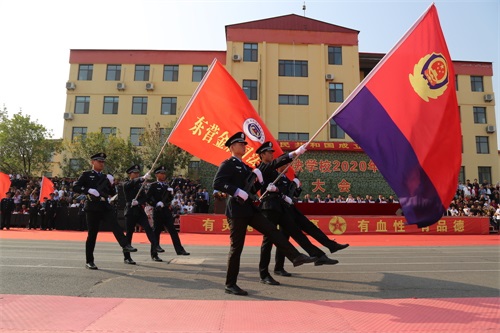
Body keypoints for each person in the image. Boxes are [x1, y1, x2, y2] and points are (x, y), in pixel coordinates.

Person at [213, 132, 317, 296]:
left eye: (244, 144)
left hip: (249, 208)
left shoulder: (246, 167)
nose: (243, 146)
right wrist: (237, 191)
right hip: (236, 210)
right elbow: (218, 183)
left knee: (272, 231)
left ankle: (296, 257)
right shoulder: (228, 164)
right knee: (236, 248)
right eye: (240, 144)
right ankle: (230, 284)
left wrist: (260, 183)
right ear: (232, 147)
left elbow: (252, 189)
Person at [256, 141, 346, 281]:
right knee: (268, 241)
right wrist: (294, 153)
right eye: (269, 152)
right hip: (269, 207)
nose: (272, 155)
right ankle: (264, 274)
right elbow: (272, 170)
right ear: (262, 155)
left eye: (273, 153)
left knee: (296, 232)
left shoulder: (274, 172)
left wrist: (290, 189)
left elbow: (281, 187)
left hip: (280, 207)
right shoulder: (262, 168)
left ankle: (318, 255)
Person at [73, 152, 137, 270]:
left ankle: (125, 245)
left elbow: (112, 193)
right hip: (92, 206)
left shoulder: (105, 177)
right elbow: (75, 187)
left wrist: (112, 184)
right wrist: (89, 190)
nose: (101, 163)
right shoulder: (86, 175)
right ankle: (89, 261)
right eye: (99, 161)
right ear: (93, 162)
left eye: (103, 162)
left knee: (115, 225)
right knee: (92, 234)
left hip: (104, 205)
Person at [146, 166, 190, 262]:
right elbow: (148, 198)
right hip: (157, 211)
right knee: (156, 232)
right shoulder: (153, 186)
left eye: (164, 173)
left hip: (166, 211)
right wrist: (156, 203)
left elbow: (169, 200)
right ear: (156, 175)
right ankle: (154, 253)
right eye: (161, 173)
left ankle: (179, 250)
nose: (163, 175)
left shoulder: (167, 186)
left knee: (173, 231)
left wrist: (170, 195)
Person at [121, 164, 163, 265]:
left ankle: (155, 245)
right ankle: (127, 257)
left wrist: (139, 202)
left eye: (138, 173)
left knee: (148, 228)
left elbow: (144, 197)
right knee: (129, 234)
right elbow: (130, 184)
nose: (136, 174)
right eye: (135, 173)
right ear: (129, 174)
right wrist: (142, 178)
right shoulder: (126, 183)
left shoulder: (140, 185)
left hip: (139, 210)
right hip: (130, 210)